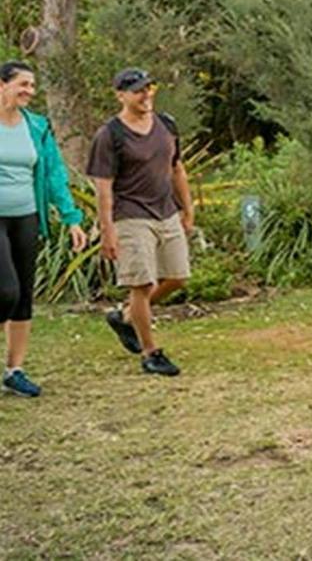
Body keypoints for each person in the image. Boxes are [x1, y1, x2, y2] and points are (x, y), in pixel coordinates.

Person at [87, 68, 194, 377]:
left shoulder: (167, 125)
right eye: (137, 90)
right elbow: (103, 188)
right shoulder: (110, 135)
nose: (146, 95)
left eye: (149, 88)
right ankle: (151, 353)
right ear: (121, 95)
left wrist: (188, 209)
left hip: (165, 211)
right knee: (142, 284)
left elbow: (177, 169)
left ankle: (124, 316)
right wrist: (108, 232)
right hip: (130, 215)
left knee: (177, 277)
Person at [0, 61, 88, 397]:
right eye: (23, 84)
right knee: (4, 292)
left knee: (22, 297)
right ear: (2, 85)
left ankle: (14, 371)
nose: (29, 91)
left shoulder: (37, 127)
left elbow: (54, 175)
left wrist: (72, 218)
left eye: (32, 86)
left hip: (26, 217)